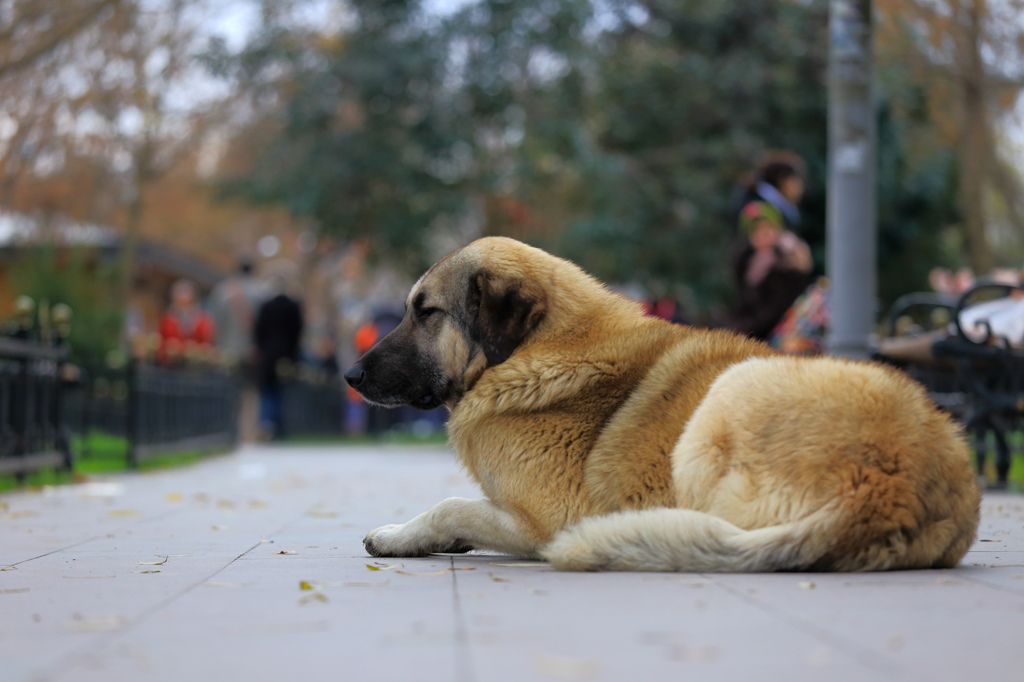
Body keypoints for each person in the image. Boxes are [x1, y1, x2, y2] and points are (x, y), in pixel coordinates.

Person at [726, 200, 813, 341]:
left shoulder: (789, 263)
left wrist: (743, 330)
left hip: (784, 338)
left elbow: (777, 310)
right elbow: (743, 304)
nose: (762, 235)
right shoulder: (747, 263)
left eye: (767, 229)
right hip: (756, 334)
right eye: (755, 230)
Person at [208, 258, 267, 442]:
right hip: (252, 351)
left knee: (227, 390)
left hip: (226, 350)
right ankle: (248, 431)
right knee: (251, 392)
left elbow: (213, 322)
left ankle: (226, 430)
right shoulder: (261, 292)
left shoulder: (222, 291)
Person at [253, 276, 304, 440]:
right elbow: (298, 332)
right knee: (283, 392)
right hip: (286, 356)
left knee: (267, 392)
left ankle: (266, 423)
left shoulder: (266, 306)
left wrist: (260, 350)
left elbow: (258, 331)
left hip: (268, 355)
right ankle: (279, 428)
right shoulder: (294, 306)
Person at [158, 280, 215, 364]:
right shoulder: (169, 317)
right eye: (179, 293)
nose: (182, 296)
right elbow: (162, 338)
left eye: (185, 293)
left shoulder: (200, 317)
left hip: (195, 361)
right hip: (171, 362)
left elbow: (206, 340)